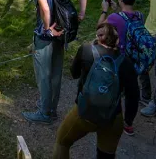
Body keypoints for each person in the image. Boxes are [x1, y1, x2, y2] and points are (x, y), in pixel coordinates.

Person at [53, 23, 140, 159]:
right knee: (106, 155)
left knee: (62, 142)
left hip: (84, 112)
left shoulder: (86, 50)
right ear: (117, 40)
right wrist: (128, 120)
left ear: (98, 37)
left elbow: (74, 73)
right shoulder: (126, 62)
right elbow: (133, 95)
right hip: (113, 116)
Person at [24, 0, 88, 124]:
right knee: (56, 74)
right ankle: (52, 109)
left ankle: (44, 113)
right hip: (61, 34)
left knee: (43, 76)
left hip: (46, 37)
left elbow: (44, 7)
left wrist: (47, 29)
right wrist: (81, 14)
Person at [98, 0, 141, 136]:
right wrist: (117, 10)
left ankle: (108, 119)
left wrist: (105, 10)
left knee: (113, 90)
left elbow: (100, 28)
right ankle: (128, 124)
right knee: (132, 91)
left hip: (120, 59)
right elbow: (125, 22)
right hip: (135, 59)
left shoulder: (114, 18)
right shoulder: (139, 15)